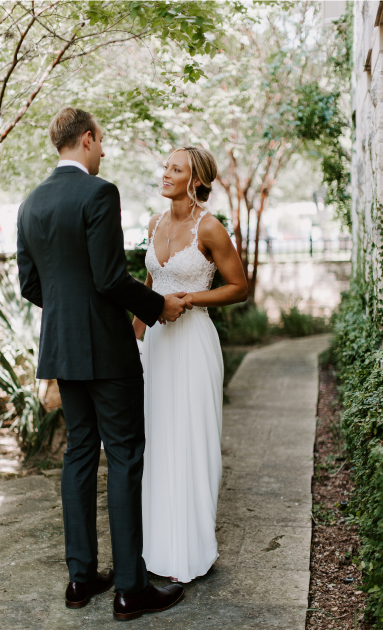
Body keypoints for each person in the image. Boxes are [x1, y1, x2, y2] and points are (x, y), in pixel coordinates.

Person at [17, 106, 188, 621]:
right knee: (126, 457)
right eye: (102, 142)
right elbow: (111, 278)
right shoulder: (98, 192)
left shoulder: (30, 204)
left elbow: (30, 286)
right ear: (87, 139)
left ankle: (81, 577)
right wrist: (159, 306)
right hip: (108, 352)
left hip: (61, 350)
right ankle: (131, 589)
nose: (105, 152)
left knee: (78, 456)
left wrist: (70, 313)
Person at [133, 147, 248, 583]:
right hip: (158, 346)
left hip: (194, 343)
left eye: (175, 169)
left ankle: (194, 550)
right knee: (158, 443)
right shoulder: (154, 223)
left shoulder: (211, 227)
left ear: (194, 180)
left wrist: (189, 299)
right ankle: (158, 549)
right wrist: (135, 341)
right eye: (165, 166)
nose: (165, 174)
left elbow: (238, 287)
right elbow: (150, 288)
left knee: (192, 442)